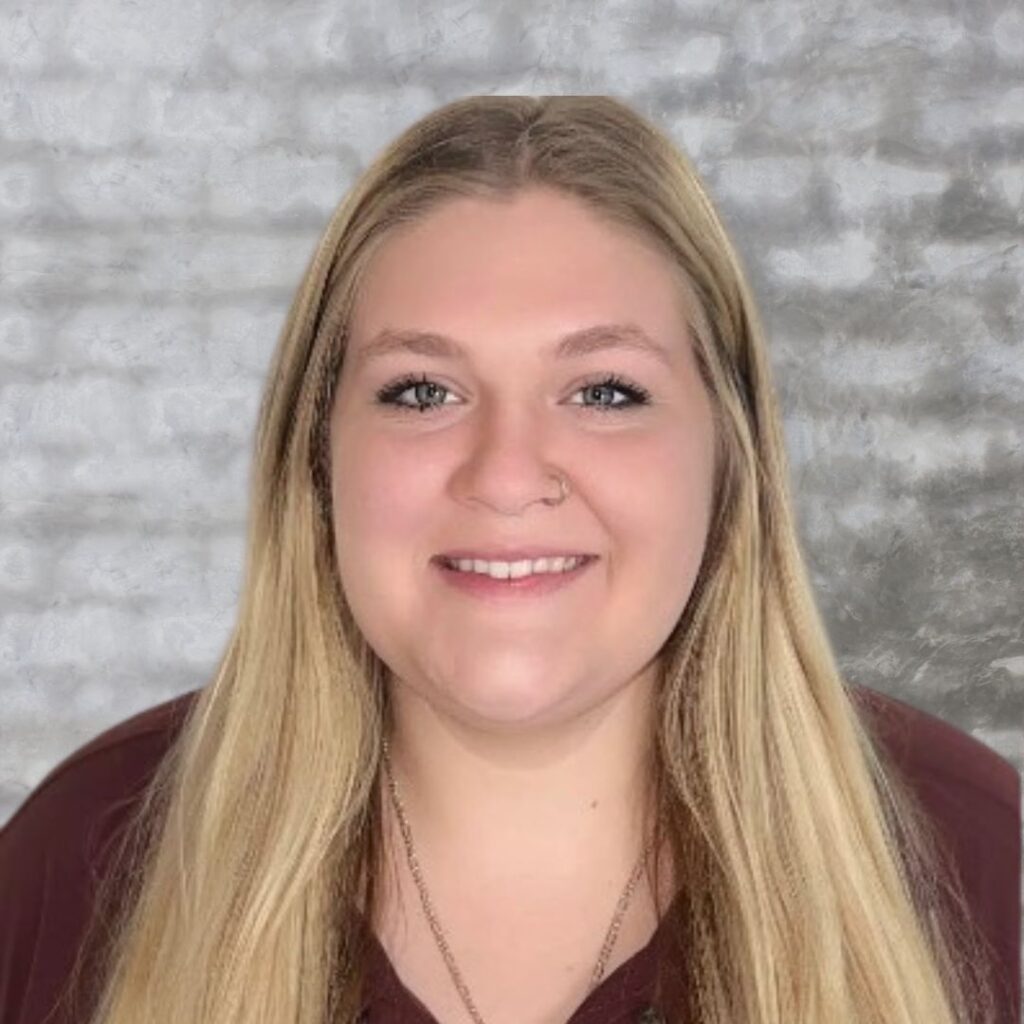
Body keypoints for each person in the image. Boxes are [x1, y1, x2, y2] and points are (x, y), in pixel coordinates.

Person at [0, 95, 1018, 1024]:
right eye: (422, 392)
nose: (505, 475)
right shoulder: (84, 856)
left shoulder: (976, 856)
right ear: (315, 453)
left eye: (605, 392)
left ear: (730, 456)